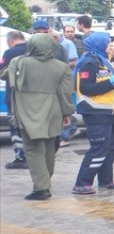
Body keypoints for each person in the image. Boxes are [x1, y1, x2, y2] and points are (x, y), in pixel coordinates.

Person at [1, 34, 74, 200]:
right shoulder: (61, 67)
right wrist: (67, 113)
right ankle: (46, 180)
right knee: (49, 148)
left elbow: (5, 75)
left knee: (33, 150)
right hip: (52, 109)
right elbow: (65, 93)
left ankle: (41, 188)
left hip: (27, 109)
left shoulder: (19, 62)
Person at [71, 32, 114, 194]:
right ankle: (82, 183)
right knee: (98, 148)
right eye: (108, 43)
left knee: (110, 149)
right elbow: (86, 88)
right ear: (99, 44)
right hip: (97, 113)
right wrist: (111, 82)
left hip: (112, 113)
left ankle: (106, 181)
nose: (111, 46)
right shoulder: (89, 63)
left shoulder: (103, 61)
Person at [3, 31, 29, 169]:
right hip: (31, 96)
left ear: (11, 40)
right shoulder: (32, 51)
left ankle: (21, 156)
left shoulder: (9, 53)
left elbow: (2, 73)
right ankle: (33, 155)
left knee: (15, 126)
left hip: (13, 95)